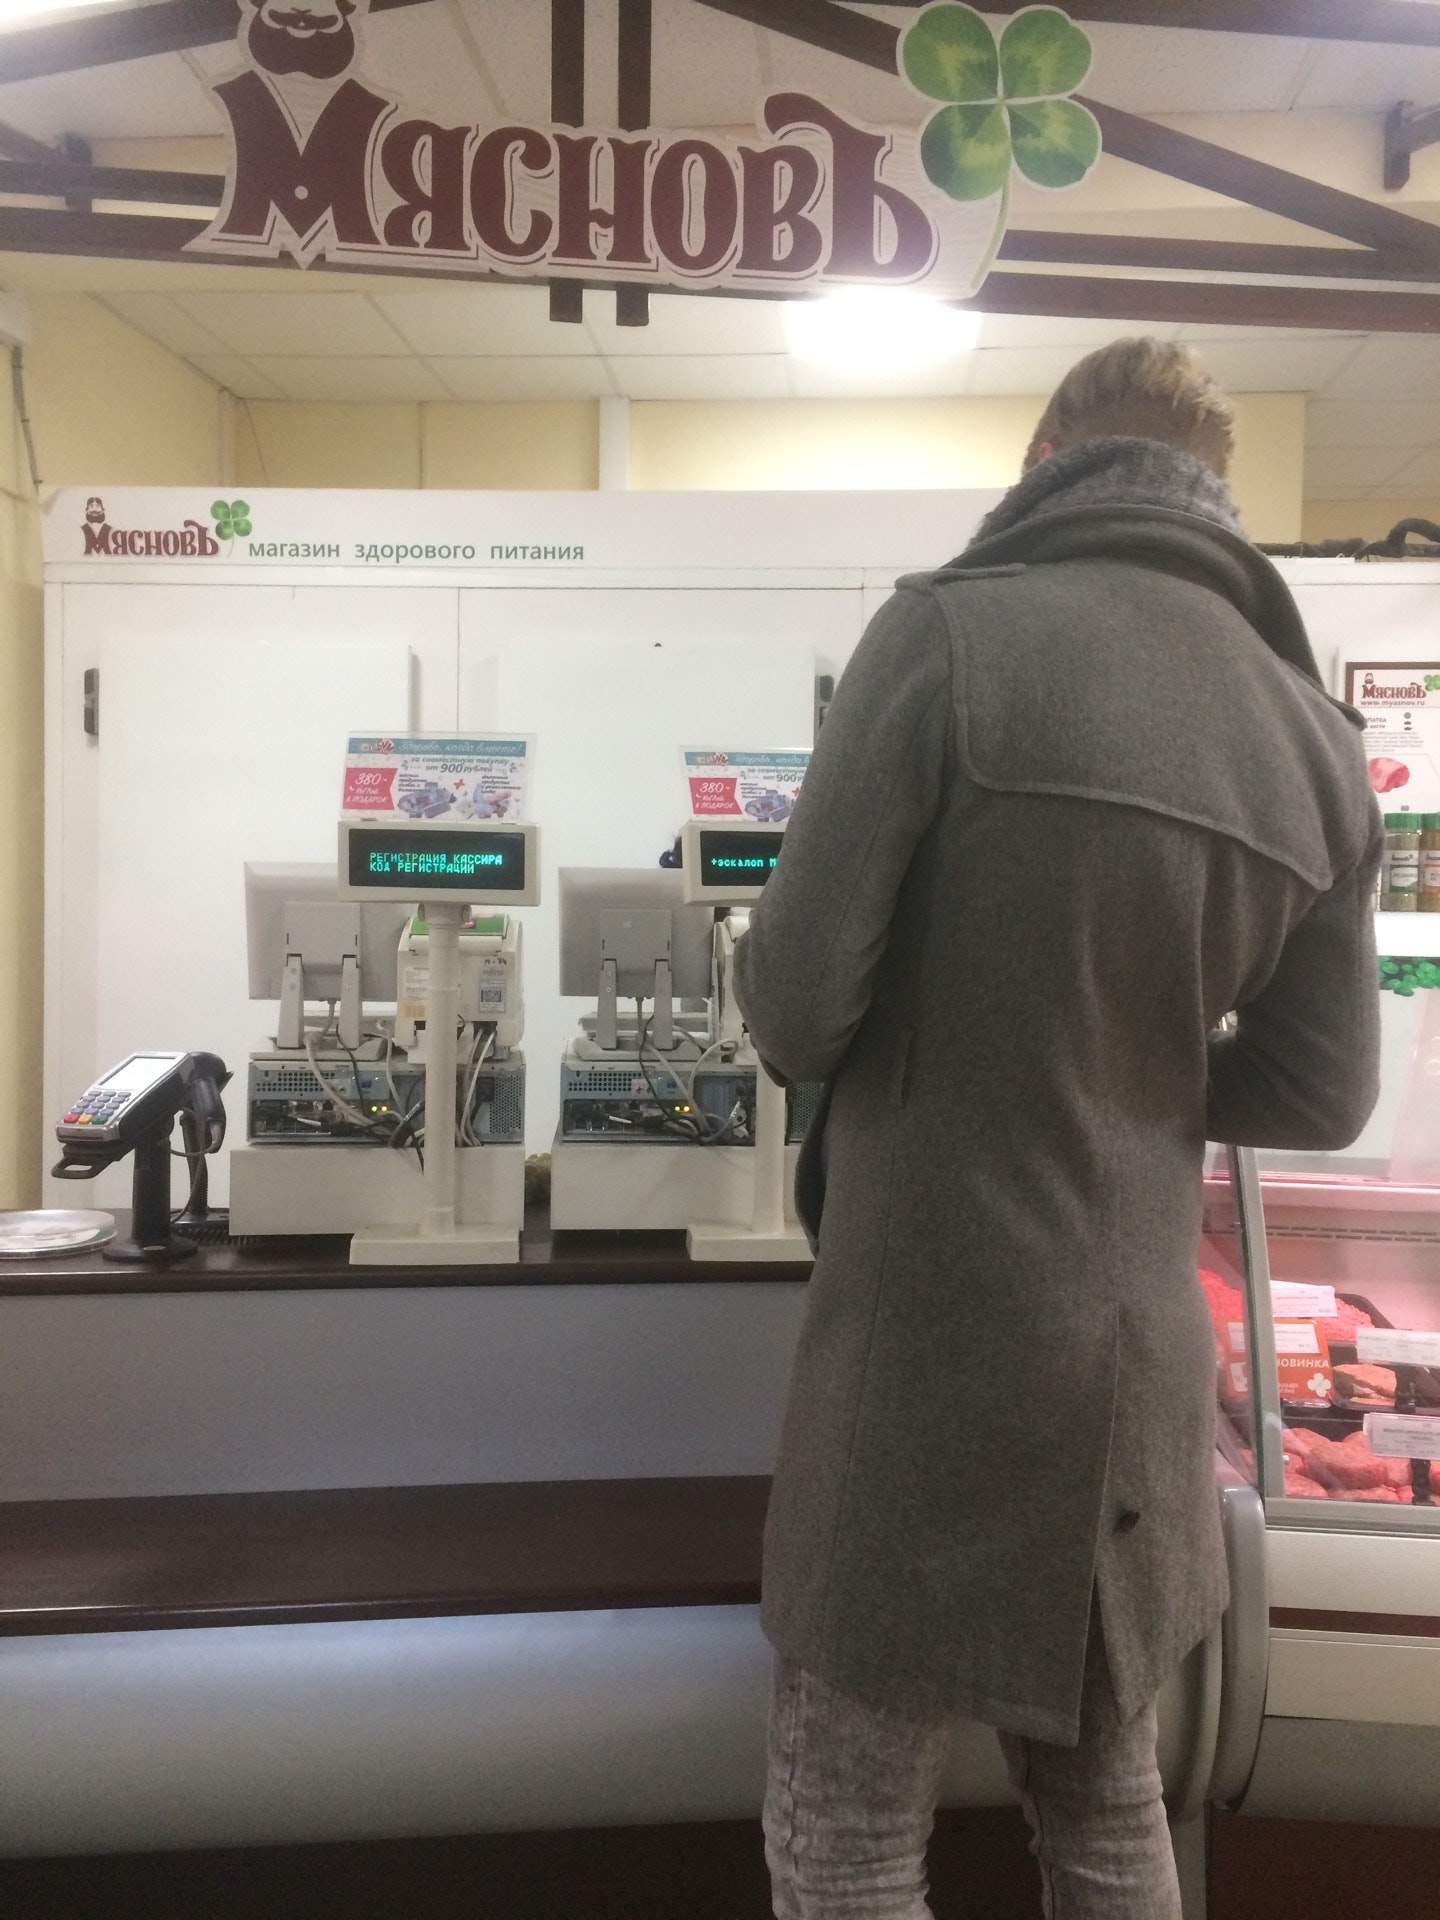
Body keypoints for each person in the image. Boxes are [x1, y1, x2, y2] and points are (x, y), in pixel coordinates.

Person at [733, 337, 1381, 1920]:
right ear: (1213, 493)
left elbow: (797, 1010)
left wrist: (971, 1053)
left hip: (922, 1370)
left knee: (847, 1836)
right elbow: (1323, 1092)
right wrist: (1130, 1066)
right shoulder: (1313, 740)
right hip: (1141, 1388)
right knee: (1106, 1817)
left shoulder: (946, 636)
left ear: (1041, 466)